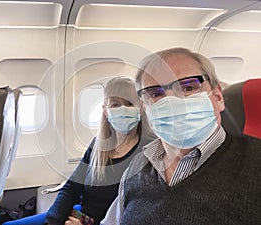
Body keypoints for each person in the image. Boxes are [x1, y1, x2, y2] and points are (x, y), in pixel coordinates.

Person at [101, 48, 261, 225]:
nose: (171, 101)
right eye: (156, 94)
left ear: (217, 97)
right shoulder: (137, 166)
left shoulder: (255, 161)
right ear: (145, 109)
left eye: (188, 87)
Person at [2, 76, 155, 225]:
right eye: (115, 104)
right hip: (81, 214)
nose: (122, 110)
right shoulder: (98, 145)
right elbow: (71, 188)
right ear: (105, 110)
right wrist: (52, 221)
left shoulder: (148, 151)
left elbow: (139, 211)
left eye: (129, 104)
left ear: (141, 107)